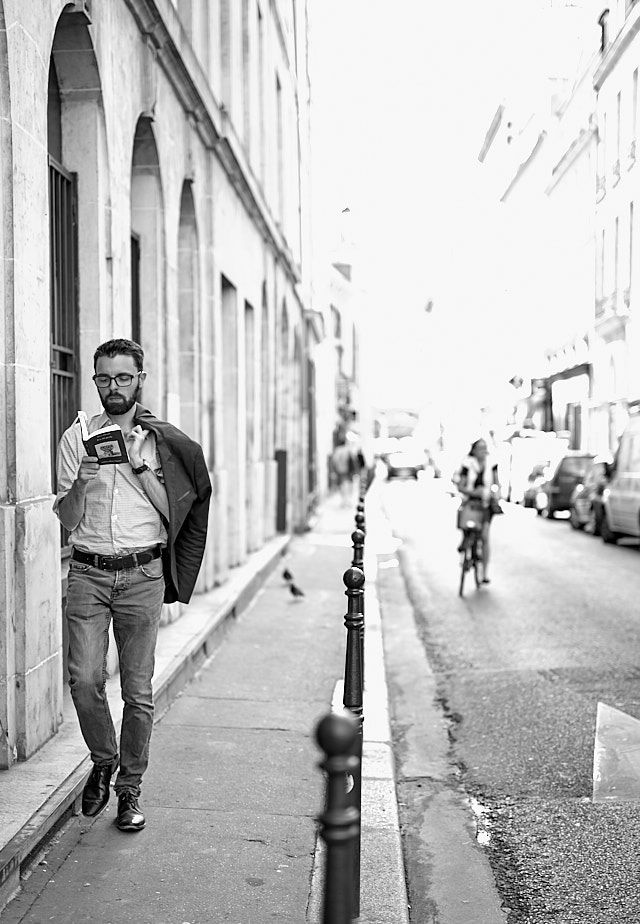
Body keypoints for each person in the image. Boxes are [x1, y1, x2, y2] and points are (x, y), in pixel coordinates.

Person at [53, 338, 212, 832]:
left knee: (138, 691)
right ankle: (104, 759)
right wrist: (83, 476)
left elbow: (177, 514)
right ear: (95, 380)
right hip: (87, 572)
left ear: (139, 379)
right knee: (84, 680)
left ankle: (129, 790)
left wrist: (137, 465)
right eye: (104, 378)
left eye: (123, 377)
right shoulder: (75, 438)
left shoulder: (159, 441)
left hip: (141, 574)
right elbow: (67, 517)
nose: (113, 387)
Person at [456, 438, 501, 584]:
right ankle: (465, 541)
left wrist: (494, 493)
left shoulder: (491, 463)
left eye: (484, 447)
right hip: (471, 502)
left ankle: (484, 572)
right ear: (474, 450)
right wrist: (473, 492)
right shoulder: (467, 464)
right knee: (465, 522)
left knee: (485, 537)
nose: (483, 450)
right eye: (480, 448)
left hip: (486, 503)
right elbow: (460, 485)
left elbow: (496, 483)